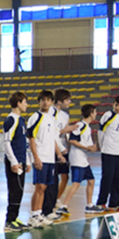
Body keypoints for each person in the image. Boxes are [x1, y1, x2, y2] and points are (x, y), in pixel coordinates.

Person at [26, 89, 65, 228]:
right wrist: (35, 157)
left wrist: (59, 154)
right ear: (39, 102)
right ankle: (33, 215)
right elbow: (31, 138)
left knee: (45, 187)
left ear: (52, 102)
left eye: (48, 100)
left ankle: (40, 213)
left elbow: (53, 139)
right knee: (39, 187)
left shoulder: (51, 118)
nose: (45, 102)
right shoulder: (35, 117)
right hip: (41, 157)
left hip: (50, 159)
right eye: (43, 100)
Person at [60, 104, 102, 214]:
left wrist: (92, 148)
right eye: (95, 112)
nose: (96, 114)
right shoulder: (80, 125)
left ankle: (89, 205)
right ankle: (63, 205)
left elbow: (87, 145)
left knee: (91, 180)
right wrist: (86, 147)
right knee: (76, 183)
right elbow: (72, 140)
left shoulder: (87, 128)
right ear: (91, 113)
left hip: (83, 159)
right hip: (77, 159)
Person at [2, 92, 31, 231]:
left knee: (19, 190)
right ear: (18, 103)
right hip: (15, 162)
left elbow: (24, 143)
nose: (26, 105)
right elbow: (7, 142)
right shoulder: (11, 120)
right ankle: (9, 220)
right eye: (25, 102)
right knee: (14, 190)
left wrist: (28, 160)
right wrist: (13, 162)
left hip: (22, 160)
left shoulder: (21, 120)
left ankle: (15, 217)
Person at [95, 96, 119, 212]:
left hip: (118, 152)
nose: (117, 107)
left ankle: (114, 203)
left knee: (118, 178)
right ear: (113, 104)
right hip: (108, 151)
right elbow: (101, 131)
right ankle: (101, 203)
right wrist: (102, 146)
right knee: (107, 178)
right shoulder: (107, 115)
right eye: (116, 105)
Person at [50, 88, 74, 217]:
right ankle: (49, 203)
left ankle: (57, 199)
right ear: (59, 101)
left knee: (65, 176)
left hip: (63, 148)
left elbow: (64, 132)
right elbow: (52, 133)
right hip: (53, 149)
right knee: (53, 178)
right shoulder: (50, 113)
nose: (69, 102)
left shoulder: (65, 115)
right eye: (67, 100)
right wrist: (59, 149)